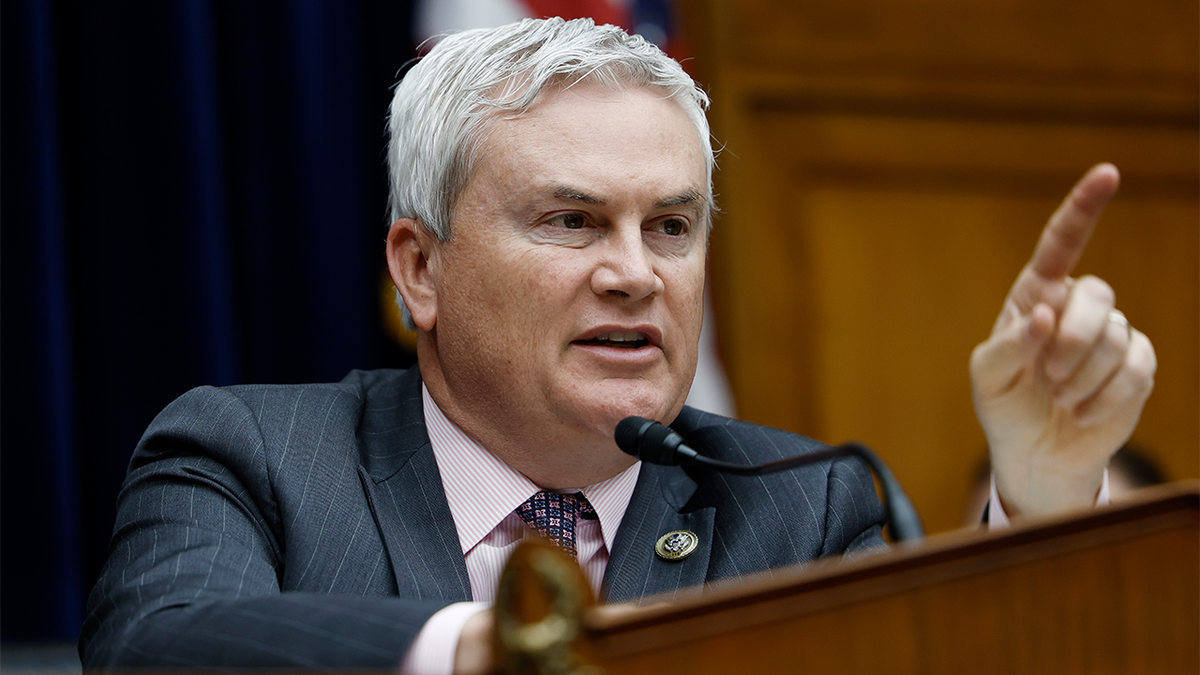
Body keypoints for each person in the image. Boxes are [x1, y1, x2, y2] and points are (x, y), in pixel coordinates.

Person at [78, 17, 1157, 674]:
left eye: (672, 227)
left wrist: (1044, 502)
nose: (637, 273)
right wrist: (503, 649)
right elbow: (154, 646)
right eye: (572, 220)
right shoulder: (255, 457)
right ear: (421, 267)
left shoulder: (803, 507)